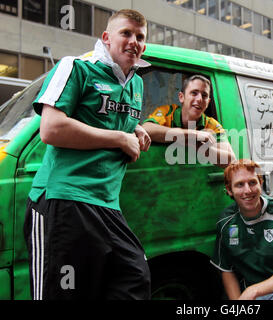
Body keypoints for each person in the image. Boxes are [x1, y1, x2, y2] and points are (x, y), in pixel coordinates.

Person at [23, 9, 151, 300]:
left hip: (107, 205)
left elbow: (103, 118)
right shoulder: (76, 67)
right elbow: (52, 129)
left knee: (134, 279)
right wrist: (120, 138)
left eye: (140, 37)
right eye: (126, 33)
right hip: (64, 199)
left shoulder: (136, 83)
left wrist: (136, 128)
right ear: (106, 38)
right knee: (65, 293)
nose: (134, 41)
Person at [210, 159, 273, 300]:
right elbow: (227, 271)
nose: (247, 190)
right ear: (229, 190)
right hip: (251, 294)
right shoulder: (225, 221)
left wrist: (254, 291)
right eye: (239, 185)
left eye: (252, 182)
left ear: (261, 183)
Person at [142, 74, 236, 168]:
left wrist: (202, 148)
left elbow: (231, 161)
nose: (199, 99)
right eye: (194, 93)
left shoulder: (212, 124)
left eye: (204, 95)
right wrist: (192, 134)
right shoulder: (167, 112)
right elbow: (146, 128)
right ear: (181, 97)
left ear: (208, 102)